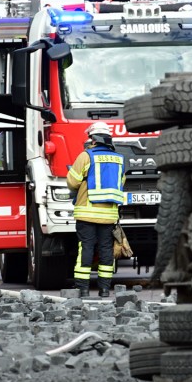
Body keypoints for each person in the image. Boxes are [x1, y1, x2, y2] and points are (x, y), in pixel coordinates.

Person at [67, 121, 125, 298]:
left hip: (86, 213)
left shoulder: (86, 156)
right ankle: (105, 289)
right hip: (109, 215)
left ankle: (83, 289)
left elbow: (72, 181)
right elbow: (121, 184)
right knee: (106, 249)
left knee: (86, 248)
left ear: (92, 139)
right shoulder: (119, 159)